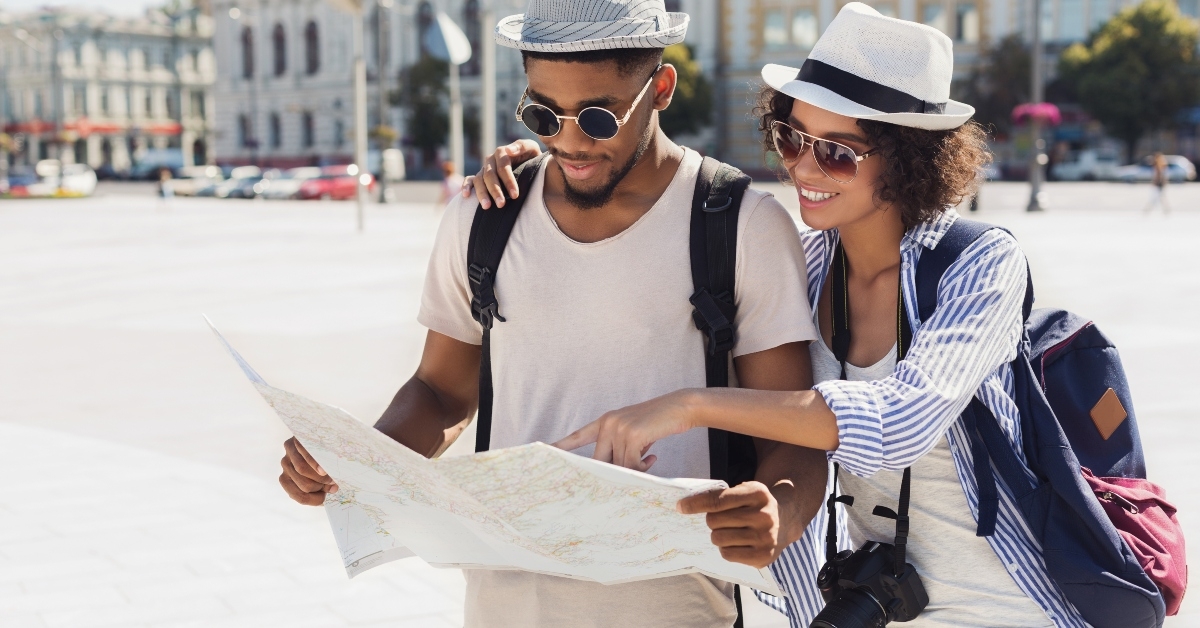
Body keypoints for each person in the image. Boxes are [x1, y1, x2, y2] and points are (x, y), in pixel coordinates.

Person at [473, 4, 1091, 626]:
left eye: (839, 154)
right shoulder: (809, 263)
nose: (803, 168)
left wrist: (690, 403)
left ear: (909, 158)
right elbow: (789, 442)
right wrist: (544, 157)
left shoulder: (979, 263)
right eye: (792, 139)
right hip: (871, 602)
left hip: (1006, 601)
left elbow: (904, 419)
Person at [278, 1, 827, 627]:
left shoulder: (741, 226)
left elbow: (794, 434)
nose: (568, 141)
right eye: (542, 113)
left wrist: (777, 512)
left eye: (596, 116)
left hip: (676, 607)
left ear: (662, 88)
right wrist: (356, 461)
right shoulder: (484, 218)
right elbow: (441, 391)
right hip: (503, 605)